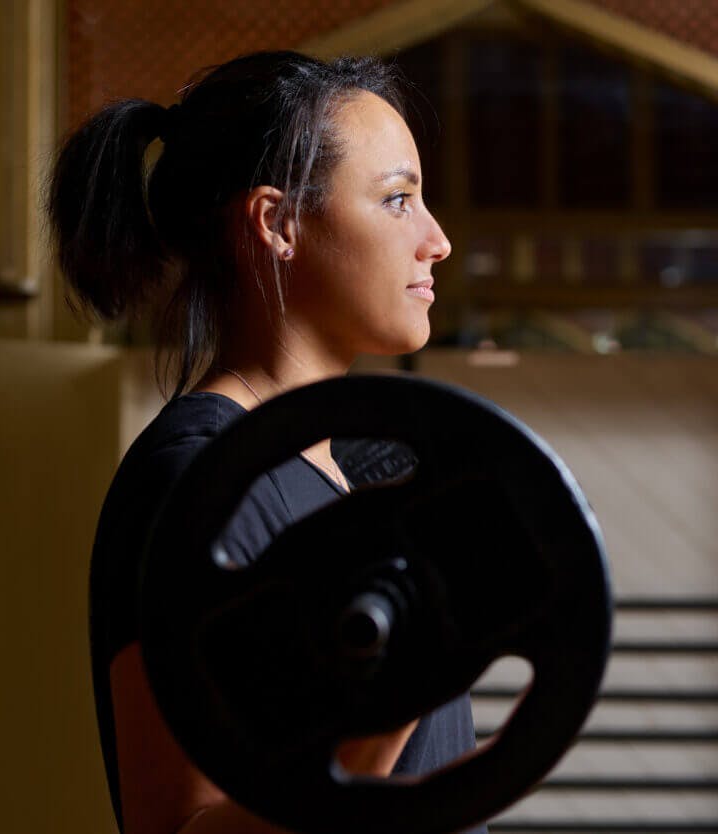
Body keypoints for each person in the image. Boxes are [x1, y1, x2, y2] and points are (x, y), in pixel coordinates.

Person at [47, 50, 485, 834]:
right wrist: (385, 710)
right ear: (278, 224)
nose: (437, 240)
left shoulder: (344, 474)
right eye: (397, 200)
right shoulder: (197, 482)